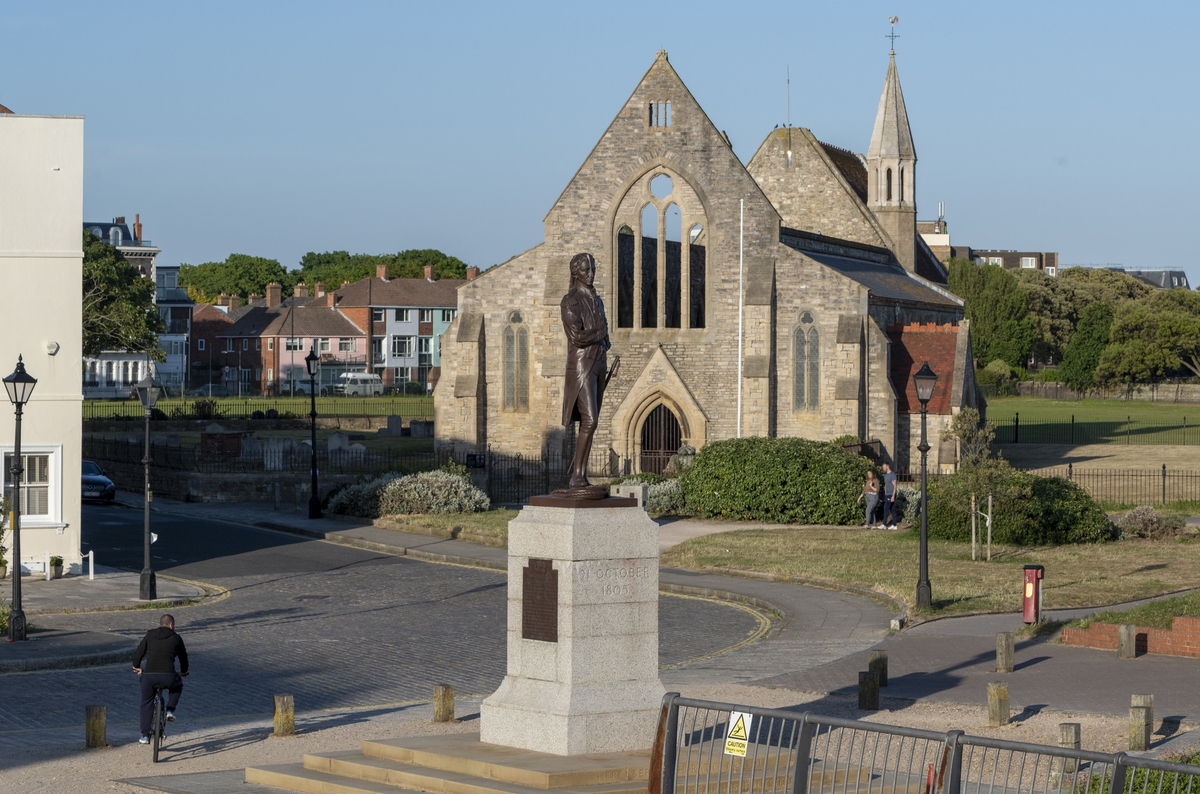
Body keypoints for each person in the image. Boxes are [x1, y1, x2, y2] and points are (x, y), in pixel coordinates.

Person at [559, 252, 619, 493]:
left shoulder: (597, 300)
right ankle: (576, 477)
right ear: (576, 272)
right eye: (585, 270)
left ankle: (580, 475)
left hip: (599, 363)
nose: (590, 274)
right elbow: (576, 337)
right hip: (582, 366)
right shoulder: (570, 301)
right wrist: (600, 334)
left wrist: (605, 344)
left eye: (592, 269)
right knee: (590, 420)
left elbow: (603, 333)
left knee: (591, 422)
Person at [132, 614, 189, 744]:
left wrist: (137, 667)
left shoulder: (149, 635)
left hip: (149, 676)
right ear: (171, 625)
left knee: (146, 702)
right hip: (168, 676)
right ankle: (170, 710)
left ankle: (145, 735)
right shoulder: (176, 637)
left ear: (160, 624)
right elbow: (183, 657)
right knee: (177, 686)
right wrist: (184, 671)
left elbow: (139, 653)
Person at [881, 462, 899, 530]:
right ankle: (894, 525)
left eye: (884, 467)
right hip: (887, 494)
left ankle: (884, 524)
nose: (883, 468)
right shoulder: (885, 476)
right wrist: (885, 493)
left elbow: (895, 486)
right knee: (892, 510)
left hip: (891, 494)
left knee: (886, 508)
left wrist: (893, 496)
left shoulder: (892, 475)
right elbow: (885, 485)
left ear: (887, 466)